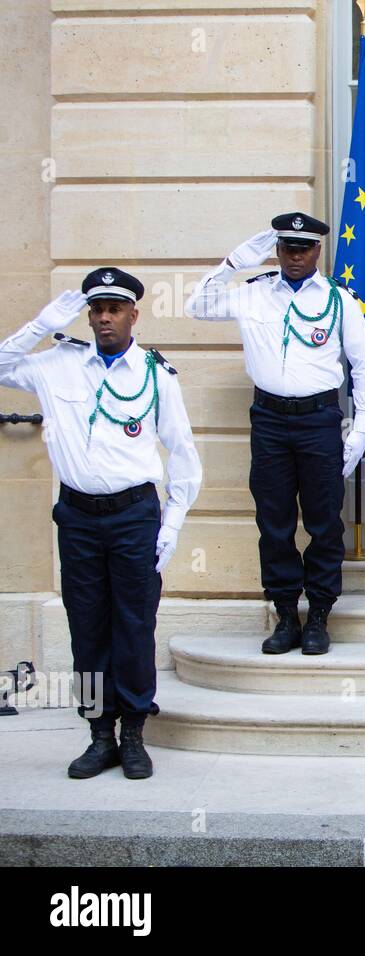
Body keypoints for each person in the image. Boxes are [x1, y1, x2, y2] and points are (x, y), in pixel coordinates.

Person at [0, 270, 202, 779]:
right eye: (96, 309)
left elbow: (183, 455)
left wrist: (172, 523)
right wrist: (43, 323)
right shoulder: (55, 364)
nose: (104, 318)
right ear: (87, 315)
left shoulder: (157, 375)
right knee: (86, 630)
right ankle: (98, 734)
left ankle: (133, 732)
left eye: (115, 308)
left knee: (134, 626)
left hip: (135, 516)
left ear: (134, 314)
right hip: (79, 517)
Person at [185, 213, 365, 657]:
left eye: (304, 248)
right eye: (287, 248)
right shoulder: (253, 295)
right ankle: (287, 614)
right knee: (273, 523)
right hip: (269, 420)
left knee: (323, 522)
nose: (295, 256)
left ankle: (320, 616)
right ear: (276, 251)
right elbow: (197, 306)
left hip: (319, 421)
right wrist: (235, 262)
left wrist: (361, 430)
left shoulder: (339, 300)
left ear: (317, 252)